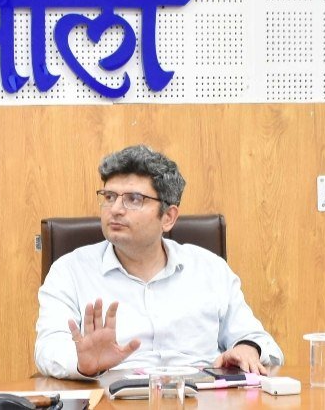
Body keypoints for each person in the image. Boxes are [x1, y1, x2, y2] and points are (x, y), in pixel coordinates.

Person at [35, 145, 283, 379]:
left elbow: (260, 340)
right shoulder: (70, 271)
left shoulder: (210, 269)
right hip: (112, 395)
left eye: (133, 199)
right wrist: (82, 364)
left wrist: (247, 348)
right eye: (109, 197)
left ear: (168, 217)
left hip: (200, 396)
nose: (115, 209)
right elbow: (48, 349)